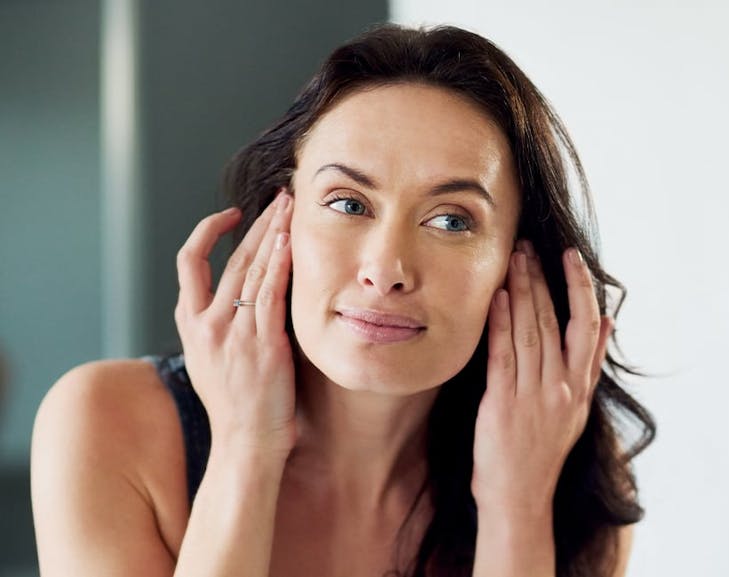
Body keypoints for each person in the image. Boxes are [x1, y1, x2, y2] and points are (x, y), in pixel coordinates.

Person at [31, 23, 655, 577]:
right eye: (348, 204)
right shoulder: (106, 425)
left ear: (517, 263)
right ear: (282, 218)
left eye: (451, 220)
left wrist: (516, 505)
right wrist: (246, 448)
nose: (385, 271)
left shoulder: (577, 488)